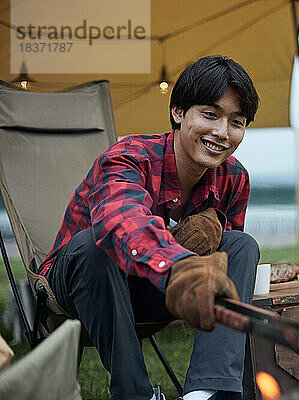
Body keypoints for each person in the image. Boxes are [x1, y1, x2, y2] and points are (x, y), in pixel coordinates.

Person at [38, 55, 261, 400]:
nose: (222, 132)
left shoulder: (234, 177)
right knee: (92, 244)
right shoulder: (128, 156)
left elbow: (224, 253)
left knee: (241, 245)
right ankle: (136, 394)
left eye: (236, 121)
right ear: (178, 112)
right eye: (210, 114)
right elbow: (121, 221)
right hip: (82, 284)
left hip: (151, 289)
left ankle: (207, 393)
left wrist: (214, 223)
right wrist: (181, 267)